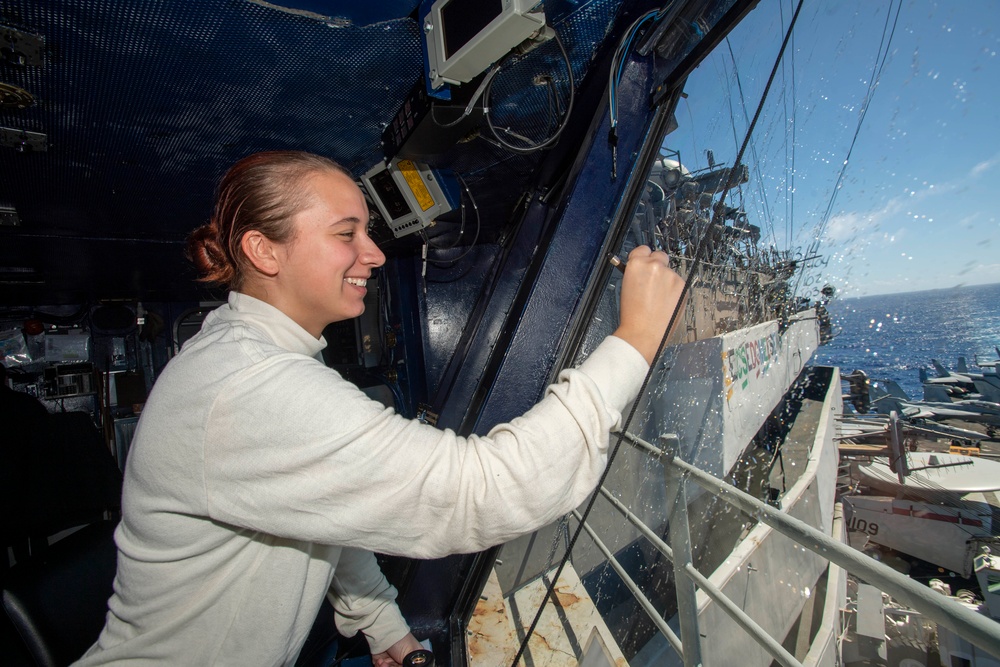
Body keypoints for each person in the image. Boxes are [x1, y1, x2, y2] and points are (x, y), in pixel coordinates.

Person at [74, 150, 685, 666]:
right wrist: (634, 340)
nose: (373, 254)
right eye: (346, 234)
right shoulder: (250, 387)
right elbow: (482, 489)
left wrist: (382, 626)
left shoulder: (253, 360)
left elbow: (325, 513)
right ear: (264, 251)